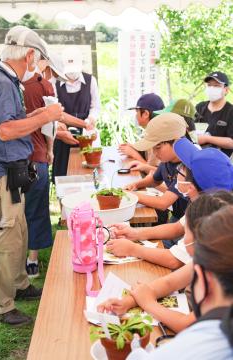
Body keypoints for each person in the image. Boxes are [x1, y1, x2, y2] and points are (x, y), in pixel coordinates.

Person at [0, 25, 63, 325]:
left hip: (15, 169)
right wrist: (46, 116)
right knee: (7, 236)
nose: (36, 67)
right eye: (37, 60)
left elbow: (14, 120)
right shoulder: (3, 83)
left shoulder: (9, 81)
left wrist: (37, 116)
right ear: (30, 54)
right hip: (3, 171)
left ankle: (20, 285)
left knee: (19, 230)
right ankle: (1, 305)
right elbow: (4, 130)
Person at [99, 191, 233, 335]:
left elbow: (188, 325)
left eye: (185, 232)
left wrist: (149, 304)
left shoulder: (223, 282)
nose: (183, 239)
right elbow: (169, 282)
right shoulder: (211, 257)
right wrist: (129, 301)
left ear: (200, 237)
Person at [127, 204, 233, 360]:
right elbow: (170, 282)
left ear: (203, 279)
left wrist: (135, 351)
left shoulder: (208, 341)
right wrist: (131, 300)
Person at [108, 138, 233, 263]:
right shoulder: (204, 203)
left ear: (190, 187)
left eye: (181, 168)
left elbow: (175, 260)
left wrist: (133, 249)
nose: (177, 170)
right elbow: (176, 228)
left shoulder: (209, 219)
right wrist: (135, 233)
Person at [124, 113, 189, 231]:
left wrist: (132, 195)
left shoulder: (186, 167)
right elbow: (154, 180)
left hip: (192, 224)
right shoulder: (167, 161)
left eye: (157, 147)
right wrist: (137, 185)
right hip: (178, 217)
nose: (154, 153)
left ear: (176, 142)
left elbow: (163, 203)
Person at [23, 66, 56, 278]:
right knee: (36, 209)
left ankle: (13, 262)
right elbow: (49, 125)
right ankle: (32, 260)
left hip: (6, 159)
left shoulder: (4, 82)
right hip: (36, 156)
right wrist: (50, 150)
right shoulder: (44, 85)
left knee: (11, 214)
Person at [52, 46, 101, 179]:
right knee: (63, 172)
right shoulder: (55, 82)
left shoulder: (90, 81)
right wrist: (57, 124)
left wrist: (91, 118)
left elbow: (95, 106)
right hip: (63, 135)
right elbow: (52, 108)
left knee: (88, 171)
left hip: (86, 132)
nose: (72, 74)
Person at [128, 98, 197, 173]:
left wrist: (134, 155)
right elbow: (158, 175)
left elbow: (153, 171)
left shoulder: (188, 163)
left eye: (167, 116)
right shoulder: (169, 157)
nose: (162, 119)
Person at [118, 93, 164, 165]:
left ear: (146, 114)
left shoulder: (157, 136)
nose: (136, 115)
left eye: (137, 112)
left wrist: (134, 154)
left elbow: (154, 172)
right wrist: (134, 148)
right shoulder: (153, 131)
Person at [196, 71, 233, 157]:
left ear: (226, 90)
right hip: (197, 158)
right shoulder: (200, 107)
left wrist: (207, 138)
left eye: (216, 86)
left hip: (220, 162)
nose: (212, 88)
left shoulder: (230, 111)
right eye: (209, 85)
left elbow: (231, 142)